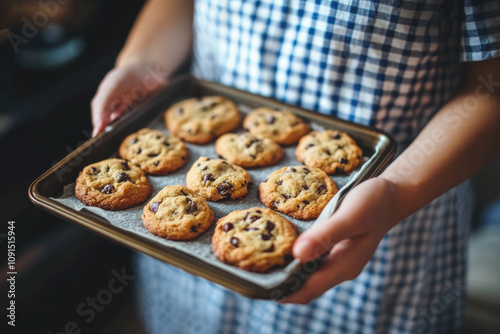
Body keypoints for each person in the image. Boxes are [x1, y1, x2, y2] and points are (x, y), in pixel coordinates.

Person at [91, 1, 500, 333]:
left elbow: (491, 85)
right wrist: (142, 65)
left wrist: (397, 192)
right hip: (191, 266)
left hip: (389, 209)